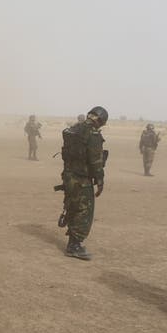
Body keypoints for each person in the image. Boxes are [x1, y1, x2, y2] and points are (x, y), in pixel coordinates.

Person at [59, 106, 107, 260]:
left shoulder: (72, 129)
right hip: (81, 179)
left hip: (68, 175)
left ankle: (72, 240)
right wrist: (100, 179)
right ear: (99, 120)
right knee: (84, 211)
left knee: (73, 206)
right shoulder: (92, 134)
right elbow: (95, 160)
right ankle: (74, 245)